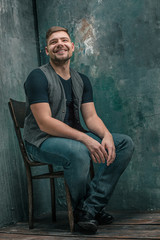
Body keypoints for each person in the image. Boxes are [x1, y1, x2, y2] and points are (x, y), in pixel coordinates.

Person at [24, 26, 134, 233]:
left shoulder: (81, 79)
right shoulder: (37, 77)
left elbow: (90, 117)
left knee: (123, 143)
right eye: (53, 42)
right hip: (40, 141)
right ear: (47, 51)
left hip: (71, 138)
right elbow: (45, 123)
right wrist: (85, 140)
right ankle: (85, 211)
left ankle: (89, 209)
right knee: (79, 151)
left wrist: (107, 135)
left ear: (72, 47)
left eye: (64, 40)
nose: (60, 44)